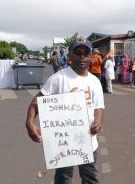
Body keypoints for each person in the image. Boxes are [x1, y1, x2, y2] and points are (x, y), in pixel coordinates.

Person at [25, 37, 105, 184]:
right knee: (63, 179)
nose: (82, 57)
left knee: (91, 179)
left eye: (86, 54)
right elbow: (36, 102)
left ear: (90, 57)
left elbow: (98, 106)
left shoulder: (95, 81)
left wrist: (98, 121)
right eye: (77, 53)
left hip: (88, 141)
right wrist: (29, 123)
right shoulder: (58, 78)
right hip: (63, 142)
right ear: (69, 56)